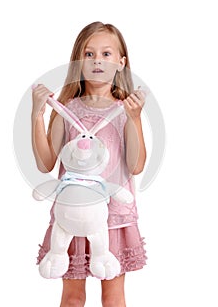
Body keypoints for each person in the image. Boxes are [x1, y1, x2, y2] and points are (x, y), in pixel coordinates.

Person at [31, 21, 147, 307]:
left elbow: (136, 166)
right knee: (72, 298)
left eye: (106, 54)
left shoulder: (124, 111)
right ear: (78, 62)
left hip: (113, 218)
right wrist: (36, 116)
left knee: (113, 297)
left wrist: (135, 119)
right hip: (72, 216)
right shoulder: (68, 109)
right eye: (89, 54)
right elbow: (45, 164)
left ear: (121, 63)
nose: (97, 60)